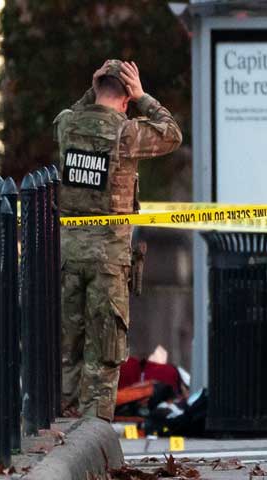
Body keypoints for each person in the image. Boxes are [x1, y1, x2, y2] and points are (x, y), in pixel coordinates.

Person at [54, 59, 182, 421]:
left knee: (68, 351)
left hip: (67, 256)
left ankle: (62, 430)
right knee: (105, 355)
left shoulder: (66, 125)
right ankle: (94, 431)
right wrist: (143, 96)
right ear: (125, 100)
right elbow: (171, 133)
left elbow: (80, 111)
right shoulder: (126, 133)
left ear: (96, 89)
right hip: (108, 261)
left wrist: (92, 92)